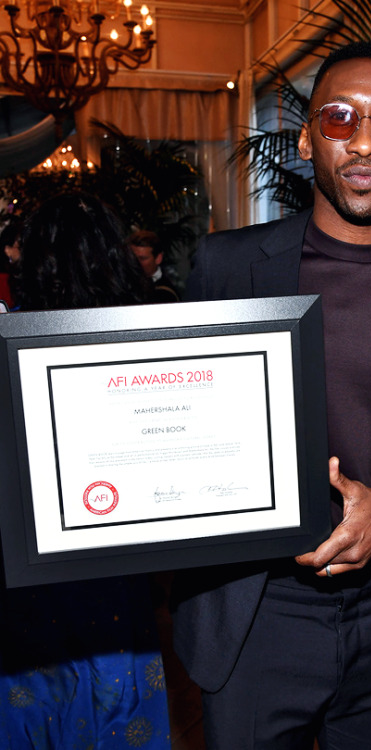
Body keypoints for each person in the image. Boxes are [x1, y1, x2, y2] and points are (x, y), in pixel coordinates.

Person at [170, 41, 371, 750]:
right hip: (254, 614)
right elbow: (178, 422)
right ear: (305, 138)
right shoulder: (227, 265)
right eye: (340, 117)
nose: (363, 142)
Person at [2, 193, 172, 749]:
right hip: (113, 555)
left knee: (34, 701)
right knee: (118, 695)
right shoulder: (141, 344)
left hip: (27, 562)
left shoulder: (10, 347)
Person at [128, 229, 180, 303]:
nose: (136, 263)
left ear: (158, 258)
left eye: (143, 258)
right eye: (133, 258)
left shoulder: (165, 295)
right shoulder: (126, 285)